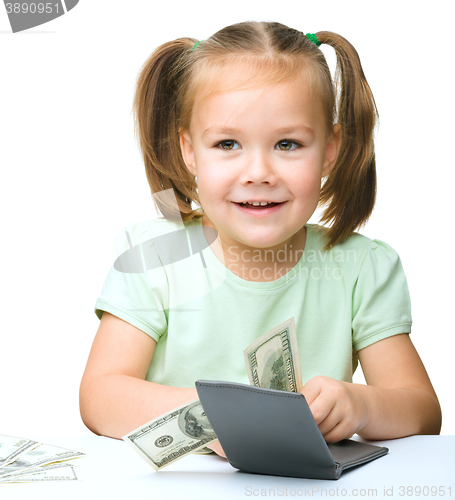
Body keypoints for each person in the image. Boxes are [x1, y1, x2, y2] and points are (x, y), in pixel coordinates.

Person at [79, 21, 442, 459]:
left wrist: (362, 405)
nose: (258, 173)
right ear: (189, 151)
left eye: (287, 144)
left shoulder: (362, 267)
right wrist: (217, 418)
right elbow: (99, 397)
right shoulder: (155, 257)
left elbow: (423, 412)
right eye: (228, 143)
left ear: (330, 149)